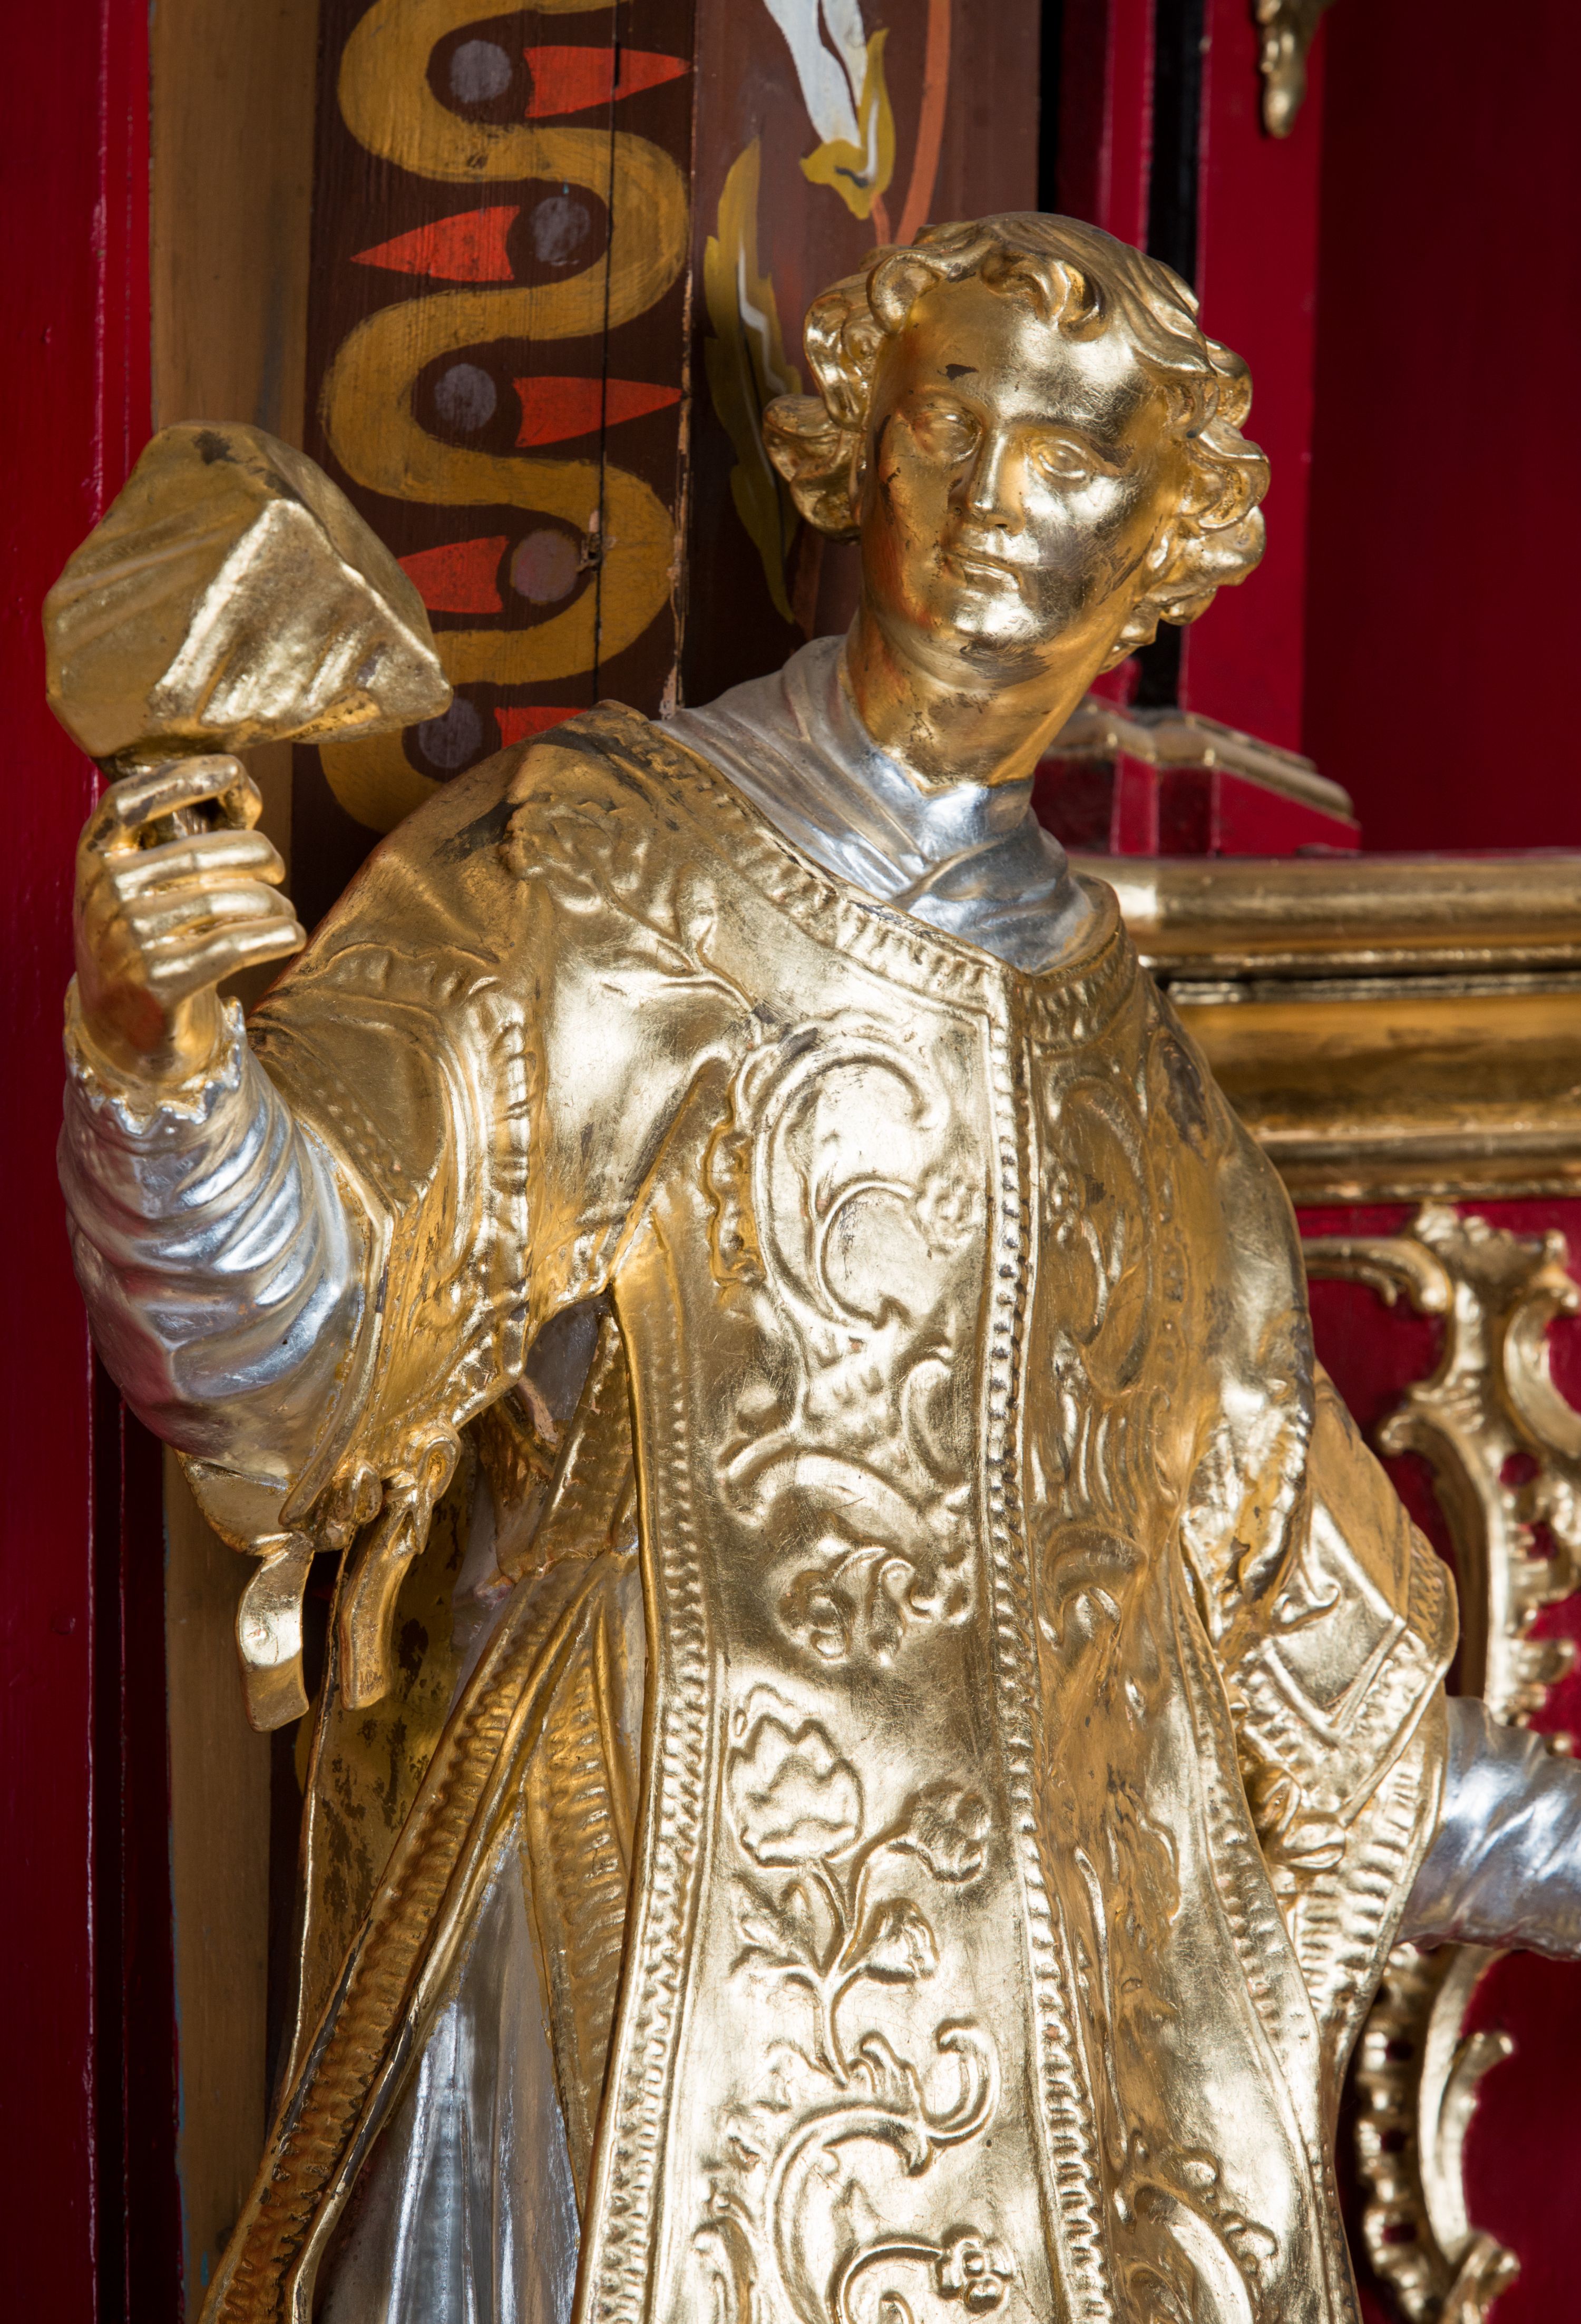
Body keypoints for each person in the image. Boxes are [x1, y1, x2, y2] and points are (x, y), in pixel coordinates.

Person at [59, 214, 1581, 2324]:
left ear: (1168, 554)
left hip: (1039, 2203)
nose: (994, 495)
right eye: (949, 419)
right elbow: (298, 1353)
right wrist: (162, 1060)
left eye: (1077, 457)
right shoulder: (600, 864)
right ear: (861, 450)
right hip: (624, 2080)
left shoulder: (1164, 1125)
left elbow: (1324, 1729)